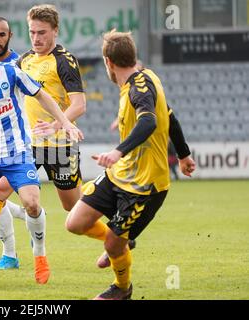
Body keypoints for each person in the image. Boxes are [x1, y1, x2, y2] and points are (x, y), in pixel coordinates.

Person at [0, 5, 89, 273]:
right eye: (32, 32)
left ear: (55, 31)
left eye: (42, 32)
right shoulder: (23, 60)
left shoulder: (64, 60)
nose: (36, 38)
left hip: (58, 144)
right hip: (26, 144)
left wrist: (60, 124)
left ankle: (108, 217)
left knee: (74, 210)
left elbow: (79, 104)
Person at [65, 30, 196, 300]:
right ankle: (124, 241)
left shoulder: (138, 87)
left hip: (145, 185)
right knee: (75, 223)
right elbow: (169, 116)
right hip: (120, 175)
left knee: (114, 245)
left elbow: (150, 121)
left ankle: (122, 289)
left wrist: (117, 151)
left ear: (108, 62)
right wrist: (183, 155)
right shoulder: (145, 79)